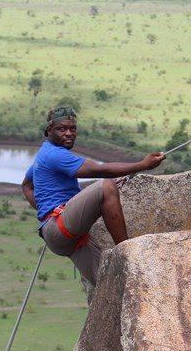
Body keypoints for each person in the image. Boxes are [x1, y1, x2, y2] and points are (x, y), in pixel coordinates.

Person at [21, 107, 165, 284]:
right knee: (106, 186)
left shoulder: (44, 153)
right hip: (59, 227)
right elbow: (99, 170)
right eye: (62, 129)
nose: (69, 133)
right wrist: (141, 165)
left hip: (61, 236)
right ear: (49, 131)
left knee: (110, 283)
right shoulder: (54, 155)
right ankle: (127, 251)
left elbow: (26, 185)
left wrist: (45, 209)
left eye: (73, 129)